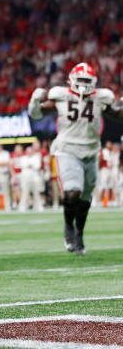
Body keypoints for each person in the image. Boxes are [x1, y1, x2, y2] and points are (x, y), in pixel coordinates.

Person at [28, 62, 123, 254]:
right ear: (71, 80)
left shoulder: (99, 98)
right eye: (80, 81)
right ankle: (68, 227)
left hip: (91, 151)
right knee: (72, 191)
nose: (84, 85)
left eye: (87, 81)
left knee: (86, 199)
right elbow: (36, 114)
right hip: (67, 149)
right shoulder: (61, 96)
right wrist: (34, 101)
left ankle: (79, 232)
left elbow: (117, 116)